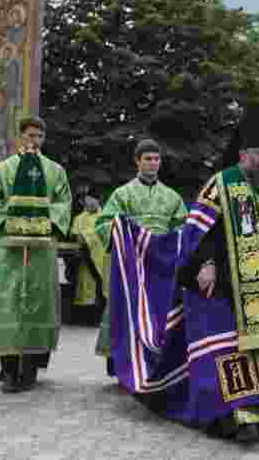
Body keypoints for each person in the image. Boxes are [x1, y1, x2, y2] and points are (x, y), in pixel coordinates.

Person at [106, 104, 259, 443]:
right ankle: (230, 415)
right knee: (226, 351)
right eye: (258, 152)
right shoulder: (222, 183)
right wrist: (205, 264)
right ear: (243, 154)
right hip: (220, 288)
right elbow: (198, 232)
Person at [0, 116, 72, 393]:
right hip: (9, 249)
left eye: (39, 136)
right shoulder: (1, 169)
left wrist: (46, 223)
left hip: (42, 250)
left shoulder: (55, 171)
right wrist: (10, 222)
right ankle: (8, 368)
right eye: (30, 135)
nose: (34, 140)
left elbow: (64, 203)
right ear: (20, 137)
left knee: (37, 304)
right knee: (8, 305)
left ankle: (30, 367)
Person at [94, 139, 187, 374]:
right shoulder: (122, 194)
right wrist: (124, 234)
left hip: (160, 265)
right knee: (126, 307)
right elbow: (105, 223)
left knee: (158, 311)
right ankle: (120, 363)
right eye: (148, 159)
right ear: (137, 161)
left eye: (156, 159)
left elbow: (183, 229)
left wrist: (170, 245)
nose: (153, 163)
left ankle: (156, 364)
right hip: (130, 263)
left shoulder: (172, 197)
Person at [70, 196, 105, 323]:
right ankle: (84, 317)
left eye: (93, 200)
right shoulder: (79, 218)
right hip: (85, 257)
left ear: (98, 200)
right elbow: (78, 237)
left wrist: (87, 236)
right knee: (84, 285)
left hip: (103, 258)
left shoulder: (105, 217)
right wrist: (88, 237)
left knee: (102, 285)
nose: (90, 204)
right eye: (87, 201)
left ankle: (99, 316)